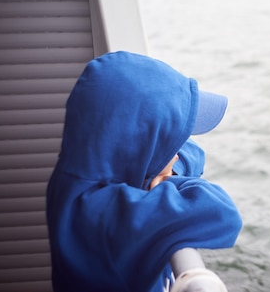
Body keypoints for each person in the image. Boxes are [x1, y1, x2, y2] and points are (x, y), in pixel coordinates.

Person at [46, 51, 242, 292]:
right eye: (170, 145)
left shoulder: (72, 179)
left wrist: (164, 168)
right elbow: (222, 215)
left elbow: (192, 153)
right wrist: (168, 183)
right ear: (141, 147)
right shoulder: (104, 217)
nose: (179, 153)